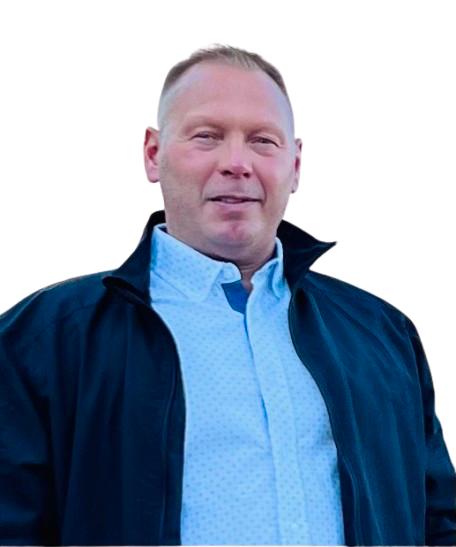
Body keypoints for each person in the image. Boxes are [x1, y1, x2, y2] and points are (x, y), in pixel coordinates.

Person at [0, 45, 454, 547]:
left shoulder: (382, 335)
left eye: (262, 141)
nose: (236, 163)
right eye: (207, 136)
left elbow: (440, 522)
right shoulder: (42, 341)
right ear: (153, 154)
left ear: (295, 165)